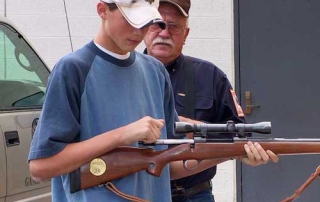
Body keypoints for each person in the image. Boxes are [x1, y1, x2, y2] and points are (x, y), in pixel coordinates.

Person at [29, 0, 277, 202]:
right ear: (102, 9)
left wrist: (233, 152)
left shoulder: (154, 72)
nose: (139, 32)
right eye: (131, 20)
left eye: (146, 21)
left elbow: (168, 164)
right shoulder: (73, 69)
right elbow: (41, 166)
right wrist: (123, 134)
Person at [144, 0, 279, 201]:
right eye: (158, 24)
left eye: (174, 26)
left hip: (195, 195)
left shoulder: (210, 76)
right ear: (145, 27)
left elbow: (241, 136)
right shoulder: (125, 75)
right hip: (140, 194)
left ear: (186, 34)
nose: (164, 33)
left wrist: (247, 154)